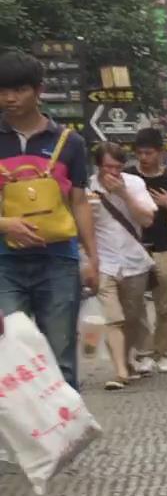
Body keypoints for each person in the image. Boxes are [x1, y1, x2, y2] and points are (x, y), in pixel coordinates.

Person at [0, 50, 97, 387]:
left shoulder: (70, 142)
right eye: (3, 90)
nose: (10, 98)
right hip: (4, 263)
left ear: (38, 90)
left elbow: (80, 202)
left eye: (19, 89)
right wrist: (6, 224)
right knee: (8, 352)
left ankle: (65, 420)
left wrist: (92, 258)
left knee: (61, 357)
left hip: (59, 261)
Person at [87, 142, 158, 390]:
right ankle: (120, 371)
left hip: (133, 260)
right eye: (108, 167)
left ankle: (129, 358)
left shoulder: (134, 184)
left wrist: (124, 195)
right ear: (98, 166)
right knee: (113, 319)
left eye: (118, 167)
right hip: (104, 261)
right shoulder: (87, 188)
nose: (113, 172)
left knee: (132, 317)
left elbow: (147, 220)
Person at [131, 128, 167, 374]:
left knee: (164, 305)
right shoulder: (128, 176)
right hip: (133, 248)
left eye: (149, 153)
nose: (144, 158)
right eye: (140, 153)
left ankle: (164, 353)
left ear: (161, 152)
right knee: (135, 306)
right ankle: (144, 353)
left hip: (162, 247)